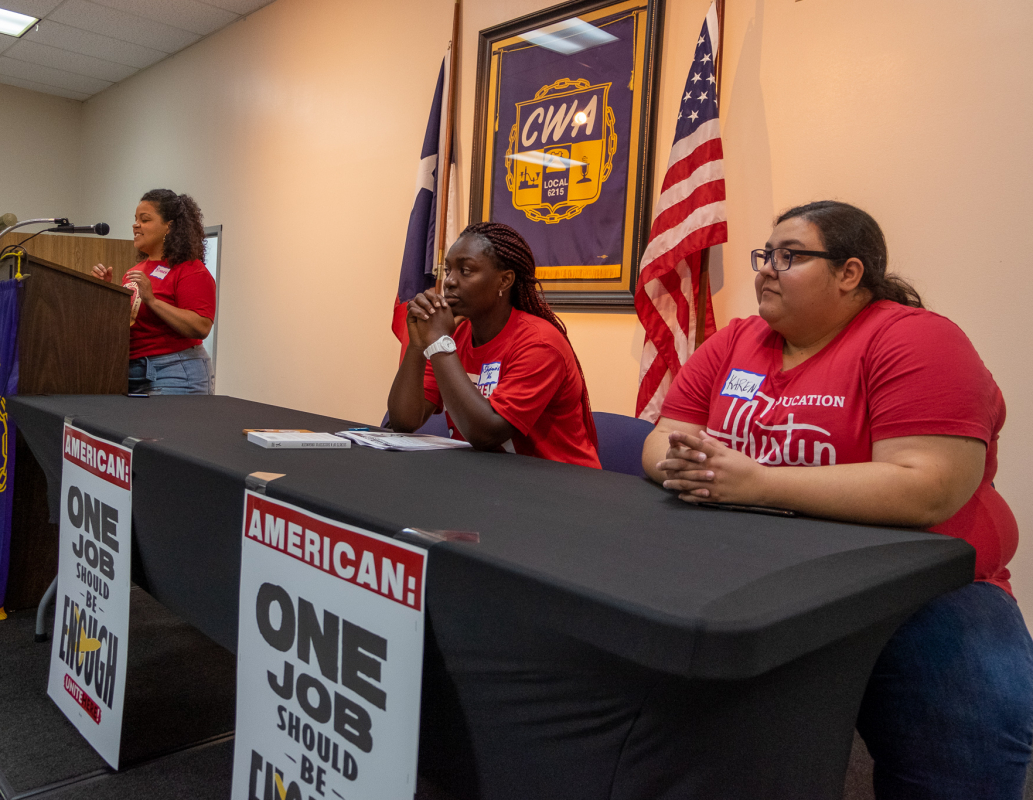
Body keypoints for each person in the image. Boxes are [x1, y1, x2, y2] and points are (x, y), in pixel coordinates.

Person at [642, 200, 1032, 798]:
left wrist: (758, 482)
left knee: (974, 732)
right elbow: (664, 435)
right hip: (755, 572)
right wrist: (684, 464)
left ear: (850, 273)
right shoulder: (737, 342)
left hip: (924, 587)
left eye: (789, 256)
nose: (766, 269)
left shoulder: (917, 340)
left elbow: (928, 486)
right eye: (764, 255)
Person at [388, 221, 600, 469]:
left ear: (504, 280)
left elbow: (487, 434)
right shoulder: (455, 336)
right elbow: (404, 421)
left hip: (560, 487)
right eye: (448, 270)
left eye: (465, 271)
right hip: (490, 479)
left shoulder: (540, 344)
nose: (449, 282)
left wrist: (438, 342)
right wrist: (417, 344)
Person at [92, 189, 216, 395]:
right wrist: (104, 293)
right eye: (135, 219)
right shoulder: (134, 272)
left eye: (145, 219)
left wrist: (153, 300)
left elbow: (201, 326)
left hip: (175, 371)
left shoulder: (190, 270)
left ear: (170, 226)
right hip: (130, 371)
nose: (136, 225)